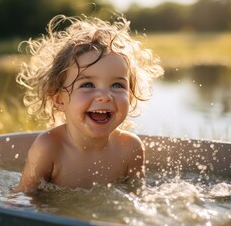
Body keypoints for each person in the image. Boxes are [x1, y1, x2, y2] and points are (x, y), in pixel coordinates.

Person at [13, 14, 163, 192]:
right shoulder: (50, 147)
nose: (105, 96)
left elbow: (138, 199)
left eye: (117, 85)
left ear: (130, 97)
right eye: (88, 84)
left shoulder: (130, 148)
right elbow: (23, 200)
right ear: (60, 100)